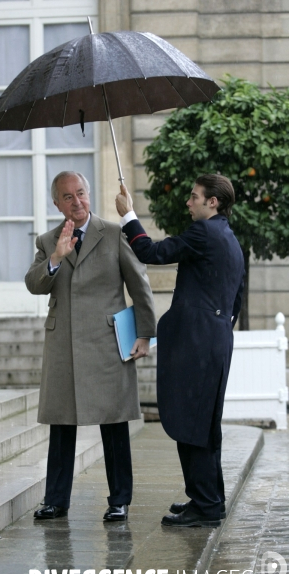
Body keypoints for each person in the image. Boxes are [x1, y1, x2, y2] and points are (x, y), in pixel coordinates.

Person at [25, 171, 156, 521]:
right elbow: (33, 284)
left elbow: (140, 285)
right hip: (63, 345)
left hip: (106, 344)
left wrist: (146, 334)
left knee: (113, 424)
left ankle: (119, 501)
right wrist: (55, 258)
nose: (77, 202)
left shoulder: (113, 234)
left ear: (89, 194)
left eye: (80, 193)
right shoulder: (48, 240)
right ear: (57, 203)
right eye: (67, 197)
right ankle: (55, 500)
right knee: (61, 424)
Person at [115, 174, 245, 528]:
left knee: (193, 423)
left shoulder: (205, 233)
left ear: (212, 202)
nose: (188, 202)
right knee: (202, 424)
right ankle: (207, 500)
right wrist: (215, 329)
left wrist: (128, 215)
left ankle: (205, 505)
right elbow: (237, 299)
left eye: (194, 196)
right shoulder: (229, 237)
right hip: (213, 340)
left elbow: (151, 252)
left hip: (199, 342)